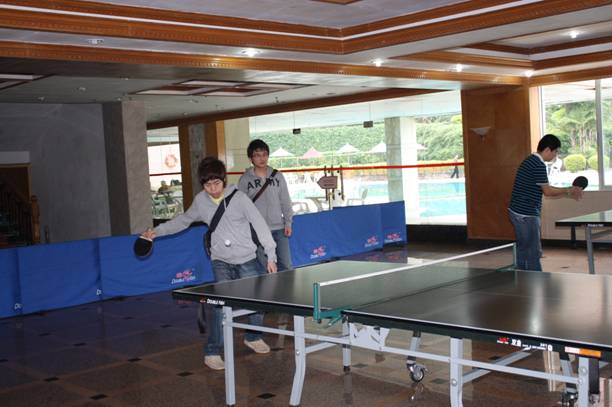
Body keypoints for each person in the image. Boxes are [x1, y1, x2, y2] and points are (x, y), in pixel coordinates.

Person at [141, 157, 277, 371]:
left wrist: (271, 255)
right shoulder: (200, 201)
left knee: (257, 301)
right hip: (220, 260)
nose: (213, 189)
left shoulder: (240, 199)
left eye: (216, 183)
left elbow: (260, 225)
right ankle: (212, 351)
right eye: (207, 185)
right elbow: (183, 221)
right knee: (219, 306)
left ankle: (253, 336)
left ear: (224, 180)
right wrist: (155, 232)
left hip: (247, 258)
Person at [508, 134, 582, 271]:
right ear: (547, 149)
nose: (555, 155)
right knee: (533, 250)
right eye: (555, 152)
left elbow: (545, 188)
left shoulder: (531, 160)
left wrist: (567, 190)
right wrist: (568, 191)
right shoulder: (538, 164)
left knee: (524, 247)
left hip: (518, 211)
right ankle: (536, 277)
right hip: (526, 213)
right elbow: (548, 191)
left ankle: (522, 275)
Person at [239, 139, 294, 272]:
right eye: (257, 155)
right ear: (251, 159)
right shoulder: (245, 179)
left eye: (264, 154)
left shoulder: (278, 176)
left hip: (279, 229)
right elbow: (240, 207)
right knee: (266, 269)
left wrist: (288, 222)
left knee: (286, 266)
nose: (262, 158)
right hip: (258, 231)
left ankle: (286, 287)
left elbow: (285, 201)